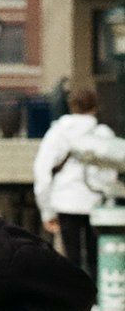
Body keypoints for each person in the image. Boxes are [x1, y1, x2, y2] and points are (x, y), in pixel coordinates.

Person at [33, 83, 117, 280]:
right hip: (96, 205)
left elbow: (42, 172)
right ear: (95, 106)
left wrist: (47, 210)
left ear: (70, 105)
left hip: (65, 202)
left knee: (70, 259)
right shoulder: (103, 134)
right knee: (97, 258)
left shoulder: (58, 134)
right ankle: (98, 300)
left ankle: (76, 302)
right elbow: (111, 174)